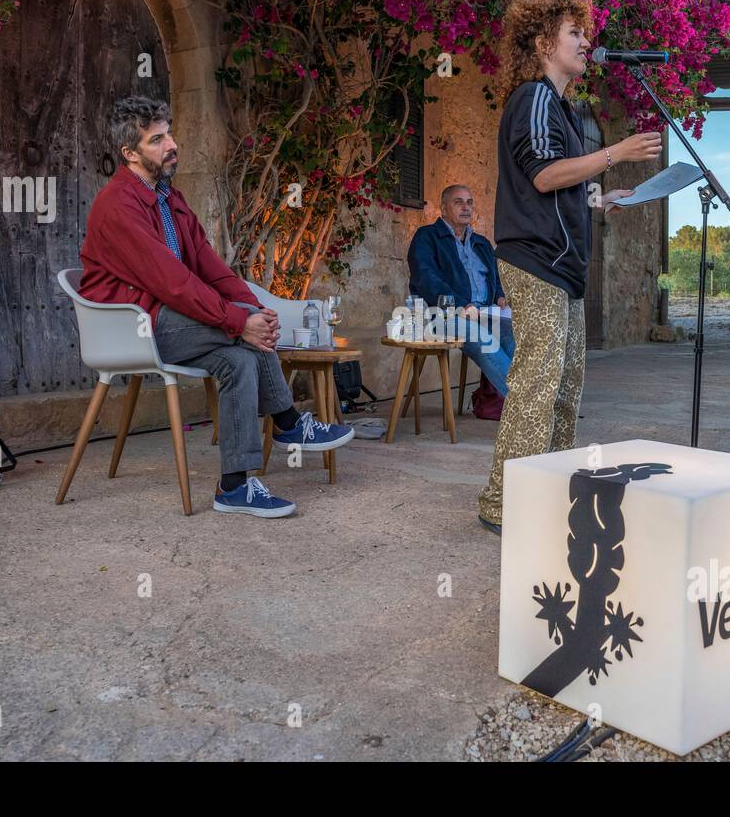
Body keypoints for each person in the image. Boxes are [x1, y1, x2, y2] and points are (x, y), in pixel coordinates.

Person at [78, 95, 352, 518]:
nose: (171, 144)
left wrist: (252, 307)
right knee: (243, 333)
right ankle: (288, 422)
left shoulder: (170, 197)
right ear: (129, 154)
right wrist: (239, 320)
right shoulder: (118, 205)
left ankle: (234, 486)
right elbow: (173, 283)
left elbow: (209, 265)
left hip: (168, 317)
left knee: (239, 359)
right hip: (132, 326)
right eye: (156, 140)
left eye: (169, 132)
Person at [476, 0, 663, 534]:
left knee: (565, 383)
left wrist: (602, 198)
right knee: (538, 381)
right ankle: (504, 503)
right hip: (534, 259)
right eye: (574, 33)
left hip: (563, 266)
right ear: (542, 43)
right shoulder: (534, 96)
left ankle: (550, 488)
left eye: (586, 33)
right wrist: (614, 153)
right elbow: (541, 175)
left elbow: (562, 185)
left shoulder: (562, 109)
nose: (586, 42)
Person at [407, 184, 516, 406]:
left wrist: (500, 297)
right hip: (444, 315)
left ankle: (527, 402)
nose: (465, 208)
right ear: (444, 208)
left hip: (486, 313)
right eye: (458, 202)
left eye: (469, 202)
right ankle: (525, 407)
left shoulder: (482, 243)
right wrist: (463, 305)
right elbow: (427, 279)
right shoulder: (427, 237)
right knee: (485, 340)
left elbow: (495, 278)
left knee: (516, 339)